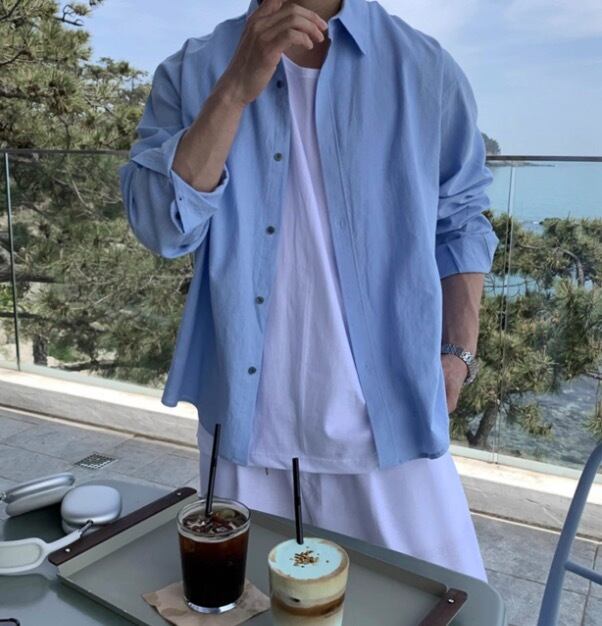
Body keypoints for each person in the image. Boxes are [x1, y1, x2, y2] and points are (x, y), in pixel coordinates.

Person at [119, 0, 499, 582]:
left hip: (388, 417)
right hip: (245, 424)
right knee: (253, 607)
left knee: (436, 601)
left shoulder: (423, 67)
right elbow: (161, 226)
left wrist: (457, 355)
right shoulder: (194, 68)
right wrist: (234, 88)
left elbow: (462, 219)